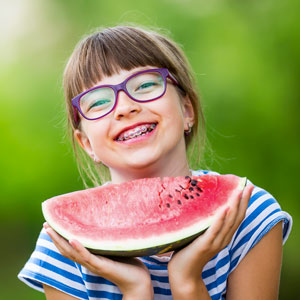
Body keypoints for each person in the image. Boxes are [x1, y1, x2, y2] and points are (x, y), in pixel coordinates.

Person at [18, 25, 292, 300]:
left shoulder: (248, 215)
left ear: (187, 110)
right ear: (87, 144)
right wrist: (136, 290)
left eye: (146, 85)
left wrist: (187, 281)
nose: (125, 108)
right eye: (98, 102)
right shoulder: (65, 246)